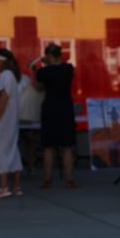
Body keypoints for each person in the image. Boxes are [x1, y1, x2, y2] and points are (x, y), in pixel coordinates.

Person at [31, 44, 77, 188]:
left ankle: (47, 180)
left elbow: (38, 87)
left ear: (49, 56)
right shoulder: (68, 69)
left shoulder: (44, 72)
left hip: (50, 108)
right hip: (65, 108)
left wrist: (36, 68)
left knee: (48, 146)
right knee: (67, 146)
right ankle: (69, 179)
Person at [0, 48, 22, 199]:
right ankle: (15, 186)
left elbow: (3, 99)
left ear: (2, 61)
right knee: (12, 151)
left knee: (0, 151)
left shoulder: (6, 76)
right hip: (9, 121)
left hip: (4, 122)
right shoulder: (10, 76)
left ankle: (3, 186)